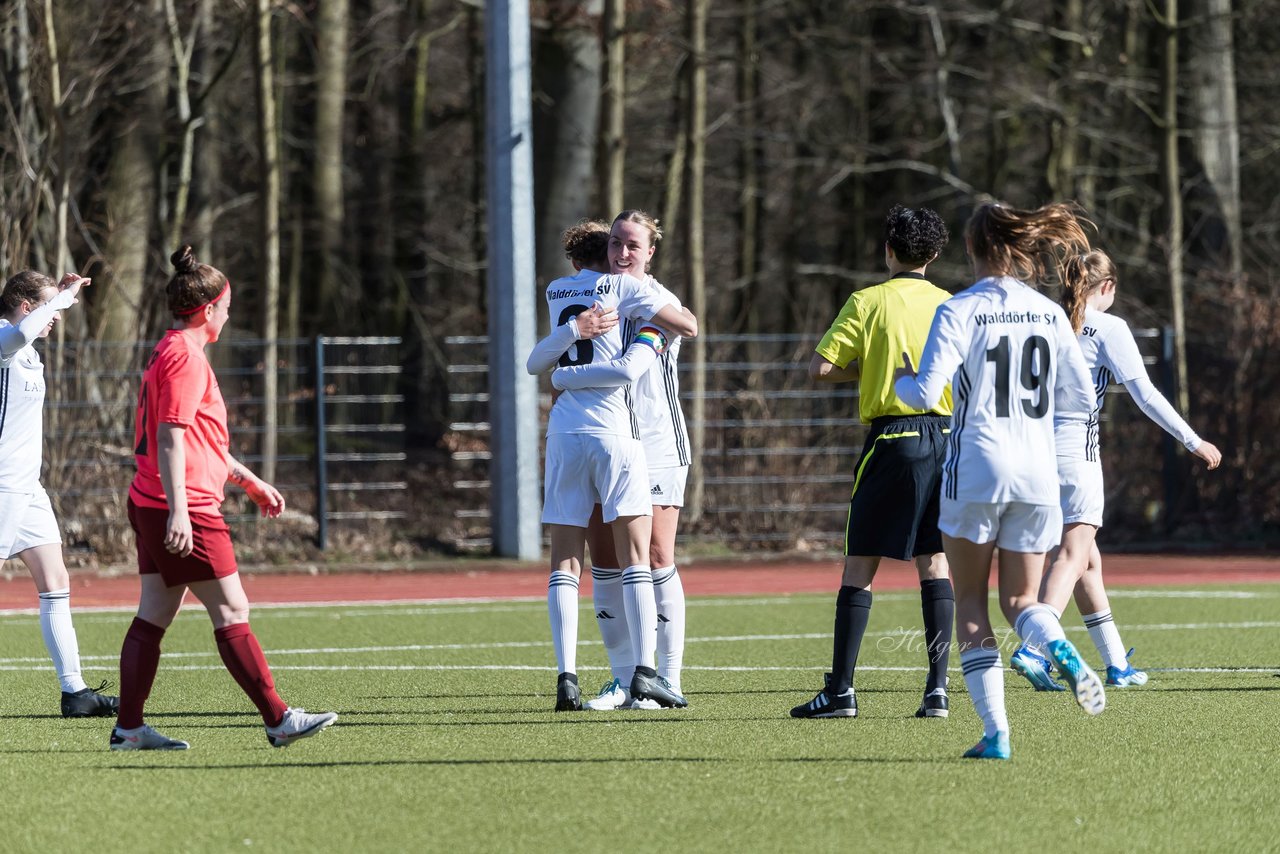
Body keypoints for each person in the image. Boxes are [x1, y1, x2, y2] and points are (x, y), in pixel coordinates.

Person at [893, 201, 1104, 760]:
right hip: (1039, 473)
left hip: (978, 467)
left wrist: (903, 378)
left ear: (971, 249)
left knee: (970, 602)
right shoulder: (1049, 313)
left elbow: (924, 393)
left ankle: (996, 734)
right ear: (1019, 250)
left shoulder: (959, 309)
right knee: (1020, 600)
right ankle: (1058, 644)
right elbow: (1083, 397)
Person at [110, 246, 337, 750]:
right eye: (227, 304)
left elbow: (200, 440)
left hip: (153, 497)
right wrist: (179, 512)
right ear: (209, 309)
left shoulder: (171, 349)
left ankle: (128, 729)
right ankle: (278, 718)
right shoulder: (185, 358)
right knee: (233, 610)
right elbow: (170, 436)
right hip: (181, 504)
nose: (230, 312)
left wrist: (248, 481)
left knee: (153, 613)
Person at [1010, 250, 1222, 691]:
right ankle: (1034, 647)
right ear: (1106, 287)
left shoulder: (1041, 318)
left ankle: (1116, 665)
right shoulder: (1108, 327)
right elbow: (1145, 395)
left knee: (1087, 560)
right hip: (1075, 457)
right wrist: (1193, 440)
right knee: (1070, 556)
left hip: (1030, 452)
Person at [787, 205, 956, 721]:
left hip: (893, 437)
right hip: (949, 438)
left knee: (861, 563)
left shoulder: (867, 301)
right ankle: (937, 691)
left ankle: (841, 692)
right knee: (935, 561)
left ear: (888, 251)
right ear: (935, 254)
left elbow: (820, 368)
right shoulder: (953, 303)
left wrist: (872, 370)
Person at [526, 217, 697, 712]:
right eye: (616, 244)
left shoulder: (651, 299)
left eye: (632, 245)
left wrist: (566, 377)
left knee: (656, 556)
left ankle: (667, 678)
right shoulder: (604, 292)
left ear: (650, 252)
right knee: (604, 561)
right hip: (611, 436)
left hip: (656, 441)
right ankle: (626, 681)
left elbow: (686, 325)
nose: (622, 252)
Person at [0, 270, 119, 718]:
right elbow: (22, 332)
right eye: (47, 308)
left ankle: (76, 693)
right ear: (26, 306)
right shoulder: (5, 340)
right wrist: (65, 297)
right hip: (1, 486)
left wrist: (58, 297)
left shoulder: (27, 351)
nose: (56, 318)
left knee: (56, 582)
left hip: (26, 487)